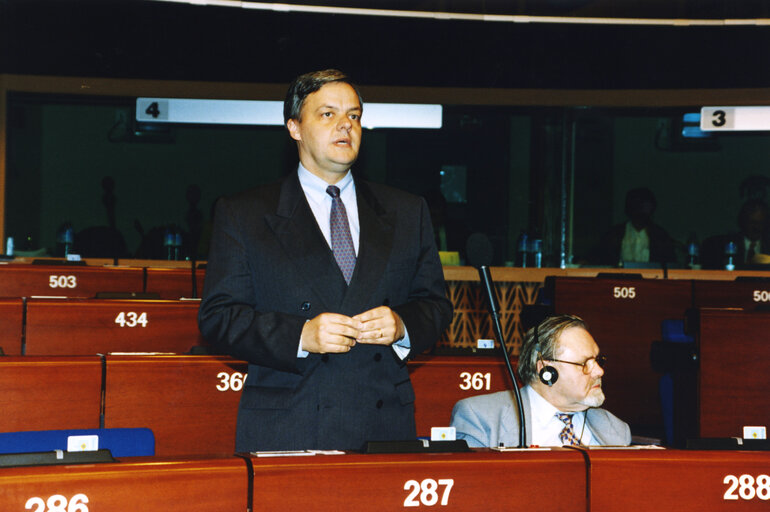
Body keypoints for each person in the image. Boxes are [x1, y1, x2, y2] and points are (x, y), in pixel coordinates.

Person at [198, 69, 453, 452]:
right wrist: (300, 335)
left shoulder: (406, 211)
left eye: (353, 116)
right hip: (289, 422)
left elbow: (435, 305)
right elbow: (218, 317)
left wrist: (402, 324)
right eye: (328, 114)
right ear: (295, 127)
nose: (345, 126)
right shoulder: (245, 213)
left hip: (383, 425)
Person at [450, 314, 631, 447]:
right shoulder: (481, 418)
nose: (599, 371)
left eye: (598, 361)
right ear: (546, 370)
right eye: (585, 363)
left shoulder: (616, 429)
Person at [592, 187, 676, 266]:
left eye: (644, 206)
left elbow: (670, 265)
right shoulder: (614, 234)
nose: (640, 210)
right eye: (637, 205)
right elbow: (600, 258)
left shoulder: (660, 236)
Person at [701, 198, 770, 269]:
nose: (756, 227)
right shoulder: (723, 245)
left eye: (760, 223)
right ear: (743, 221)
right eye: (752, 222)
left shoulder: (767, 246)